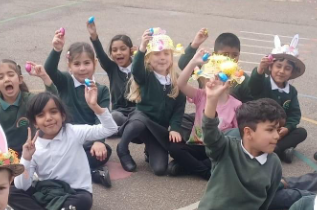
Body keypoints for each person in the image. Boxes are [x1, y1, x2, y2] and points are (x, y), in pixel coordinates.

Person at [188, 79, 283, 210]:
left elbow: (266, 202)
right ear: (248, 132)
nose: (276, 135)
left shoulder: (274, 163)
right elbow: (210, 133)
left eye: (278, 129)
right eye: (270, 130)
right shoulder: (225, 148)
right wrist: (211, 101)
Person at [7, 90, 117, 210]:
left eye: (53, 112)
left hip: (75, 194)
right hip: (47, 193)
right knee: (10, 192)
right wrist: (26, 158)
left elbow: (110, 129)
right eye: (41, 115)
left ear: (63, 115)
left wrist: (94, 106)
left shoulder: (73, 132)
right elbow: (22, 186)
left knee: (83, 204)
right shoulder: (34, 147)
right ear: (35, 122)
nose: (49, 118)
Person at [44, 30, 114, 187]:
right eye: (76, 64)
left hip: (87, 141)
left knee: (104, 152)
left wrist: (99, 141)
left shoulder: (101, 90)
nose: (82, 68)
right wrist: (56, 50)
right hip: (64, 138)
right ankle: (93, 173)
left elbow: (101, 117)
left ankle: (62, 172)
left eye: (87, 63)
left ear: (95, 63)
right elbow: (49, 70)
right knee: (51, 150)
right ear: (69, 66)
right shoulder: (65, 81)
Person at [117, 27, 186, 175]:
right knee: (137, 122)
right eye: (157, 53)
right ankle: (122, 149)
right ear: (148, 58)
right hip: (141, 122)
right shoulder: (146, 75)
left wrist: (175, 128)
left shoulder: (177, 81)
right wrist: (142, 47)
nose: (162, 57)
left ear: (171, 57)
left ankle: (149, 149)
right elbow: (136, 69)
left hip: (157, 130)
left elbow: (179, 109)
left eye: (166, 53)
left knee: (160, 169)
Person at [169, 48, 244, 179]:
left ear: (229, 80)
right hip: (197, 145)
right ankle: (205, 171)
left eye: (220, 77)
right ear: (204, 80)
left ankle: (187, 166)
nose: (214, 81)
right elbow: (180, 84)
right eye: (211, 77)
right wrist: (193, 61)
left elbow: (237, 137)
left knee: (227, 158)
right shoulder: (201, 95)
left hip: (217, 150)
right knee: (174, 148)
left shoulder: (236, 105)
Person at [234, 34, 307, 163]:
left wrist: (288, 128)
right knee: (252, 133)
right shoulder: (263, 83)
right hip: (262, 128)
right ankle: (280, 150)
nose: (282, 71)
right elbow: (253, 86)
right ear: (270, 67)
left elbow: (295, 114)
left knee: (301, 132)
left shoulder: (291, 91)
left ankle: (275, 149)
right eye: (278, 66)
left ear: (292, 72)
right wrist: (260, 69)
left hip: (279, 131)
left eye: (287, 68)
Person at [0, 59, 56, 156]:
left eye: (11, 75)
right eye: (1, 77)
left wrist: (44, 77)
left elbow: (52, 102)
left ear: (20, 79)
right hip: (5, 156)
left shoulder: (29, 99)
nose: (7, 79)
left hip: (32, 152)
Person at [87, 18, 136, 127]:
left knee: (140, 120)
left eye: (123, 49)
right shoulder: (112, 68)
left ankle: (128, 128)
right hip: (119, 112)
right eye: (114, 50)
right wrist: (94, 36)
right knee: (114, 117)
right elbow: (100, 55)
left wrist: (141, 53)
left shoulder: (138, 67)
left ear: (131, 50)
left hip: (137, 111)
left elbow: (151, 62)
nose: (118, 52)